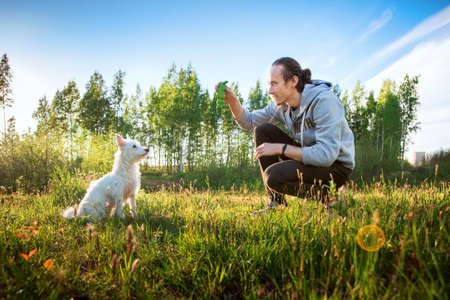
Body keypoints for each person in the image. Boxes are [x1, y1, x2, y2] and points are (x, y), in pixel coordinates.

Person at [217, 57, 355, 209]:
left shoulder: (324, 101)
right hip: (311, 159)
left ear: (293, 81)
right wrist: (232, 101)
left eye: (274, 84)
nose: (270, 91)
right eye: (269, 84)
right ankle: (276, 204)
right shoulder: (282, 106)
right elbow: (248, 122)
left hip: (335, 167)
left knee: (273, 176)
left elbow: (326, 155)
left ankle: (332, 197)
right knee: (263, 130)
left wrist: (280, 148)